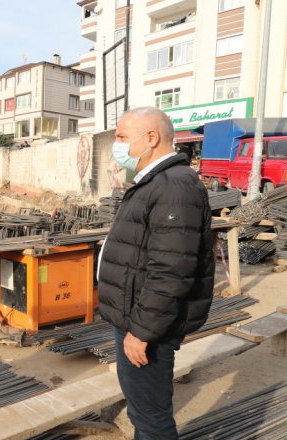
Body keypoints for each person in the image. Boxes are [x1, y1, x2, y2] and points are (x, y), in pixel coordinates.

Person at [98, 107, 214, 439]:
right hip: (134, 317)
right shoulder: (155, 182)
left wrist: (143, 332)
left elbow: (171, 270)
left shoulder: (173, 187)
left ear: (151, 138)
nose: (117, 145)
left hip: (145, 326)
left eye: (121, 137)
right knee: (142, 410)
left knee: (150, 418)